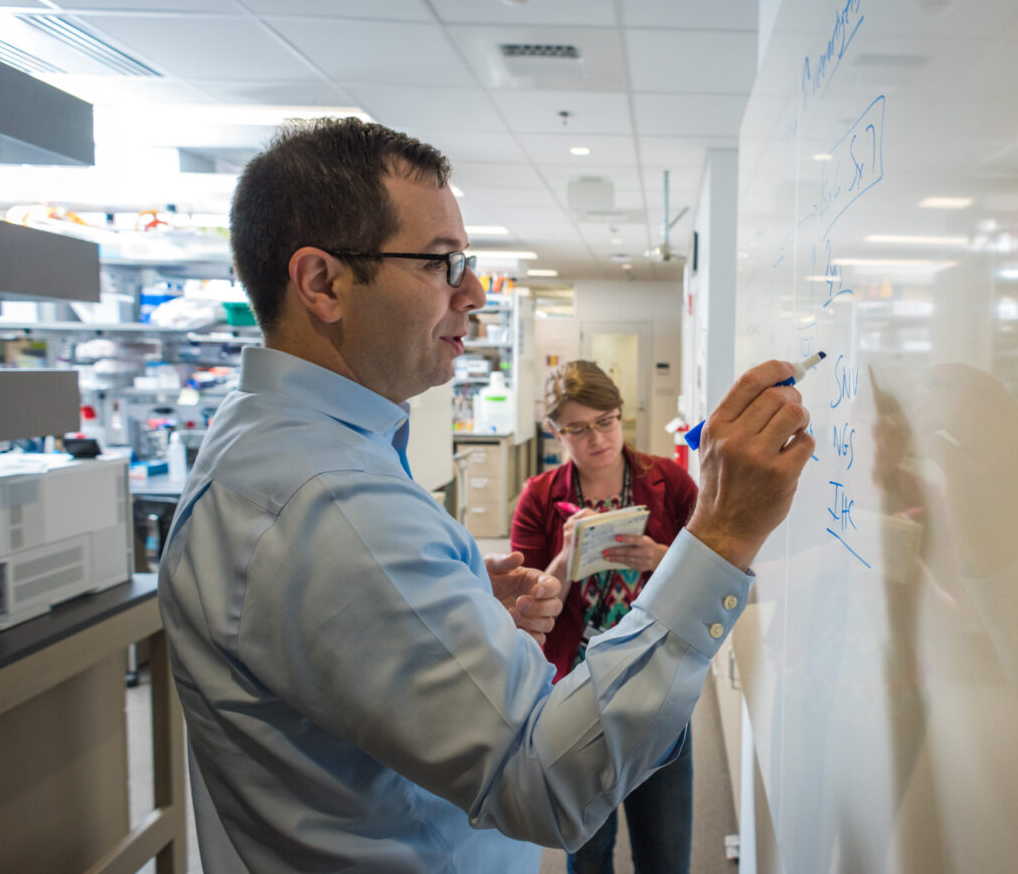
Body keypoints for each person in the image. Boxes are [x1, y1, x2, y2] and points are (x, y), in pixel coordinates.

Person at [157, 116, 815, 873]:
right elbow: (546, 785)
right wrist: (723, 536)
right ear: (322, 282)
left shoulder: (277, 449)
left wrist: (458, 611)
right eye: (441, 263)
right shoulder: (330, 504)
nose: (473, 293)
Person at [511, 360, 698, 873]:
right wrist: (565, 560)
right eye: (578, 428)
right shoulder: (540, 497)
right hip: (575, 690)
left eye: (607, 421)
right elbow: (524, 611)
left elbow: (713, 576)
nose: (597, 438)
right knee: (587, 851)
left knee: (664, 847)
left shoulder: (670, 482)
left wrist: (663, 558)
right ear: (555, 431)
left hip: (656, 686)